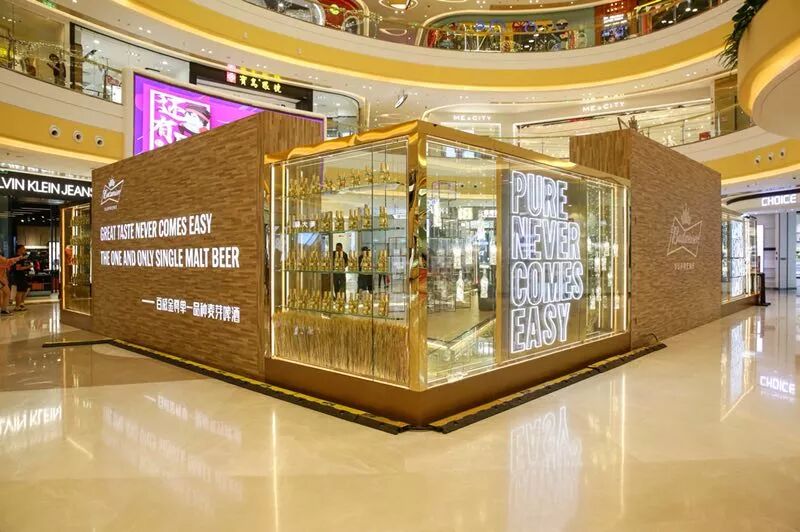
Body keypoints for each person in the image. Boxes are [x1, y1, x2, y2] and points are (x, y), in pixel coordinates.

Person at [12, 245, 32, 312]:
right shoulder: (17, 258)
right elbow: (18, 268)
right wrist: (28, 267)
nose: (25, 250)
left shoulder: (21, 258)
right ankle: (17, 306)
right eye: (23, 249)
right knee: (20, 291)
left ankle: (21, 304)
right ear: (19, 250)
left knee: (24, 289)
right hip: (19, 276)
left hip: (22, 275)